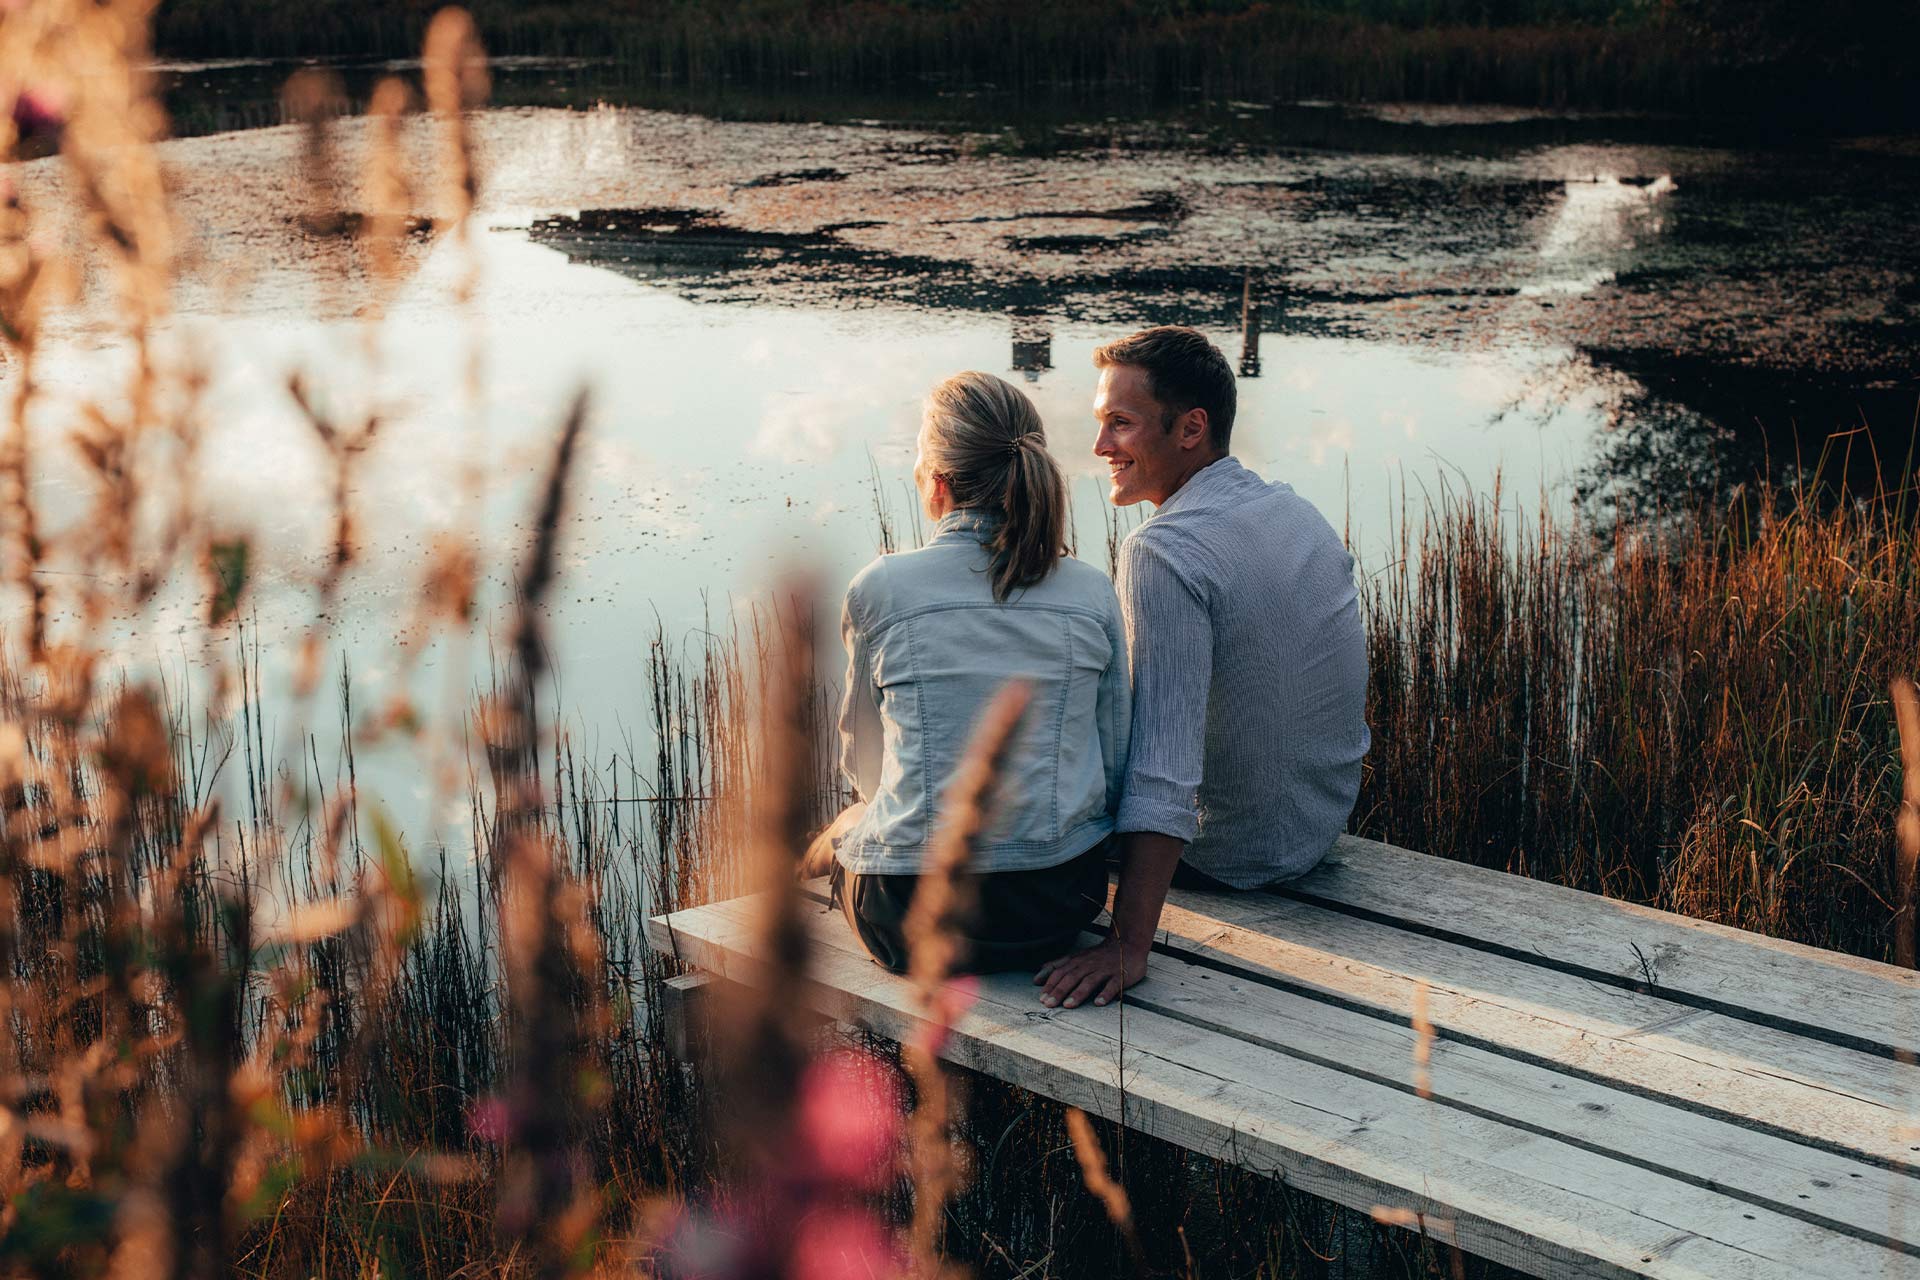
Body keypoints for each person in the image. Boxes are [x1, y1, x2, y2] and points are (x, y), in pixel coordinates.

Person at [1034, 326, 1370, 1010]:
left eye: (1120, 425)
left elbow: (1165, 763)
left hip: (1229, 856)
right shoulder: (1294, 512)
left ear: (1191, 429)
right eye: (1101, 424)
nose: (1100, 448)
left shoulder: (1164, 552)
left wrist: (1129, 945)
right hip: (1311, 831)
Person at [813, 370, 1131, 975]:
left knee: (856, 819)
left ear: (937, 484)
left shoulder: (880, 587)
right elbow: (1112, 766)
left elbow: (865, 768)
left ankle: (826, 846)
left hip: (914, 920)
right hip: (1057, 907)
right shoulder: (1091, 592)